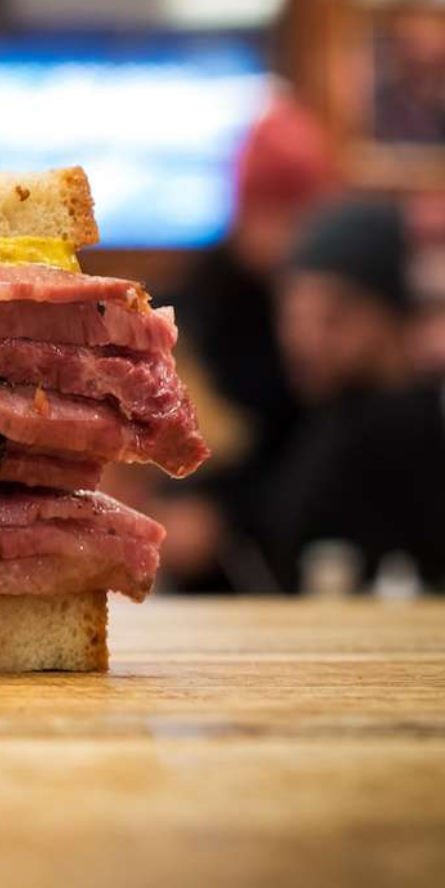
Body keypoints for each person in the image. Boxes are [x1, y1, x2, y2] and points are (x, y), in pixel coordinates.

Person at [148, 99, 334, 591]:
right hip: (201, 583)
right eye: (270, 208)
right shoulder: (190, 309)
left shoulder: (323, 310)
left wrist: (226, 516)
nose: (285, 231)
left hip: (285, 563)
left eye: (298, 212)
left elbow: (313, 450)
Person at [261, 198, 445, 593]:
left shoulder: (399, 426)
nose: (305, 340)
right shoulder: (334, 409)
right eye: (294, 316)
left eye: (333, 316)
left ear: (392, 316)